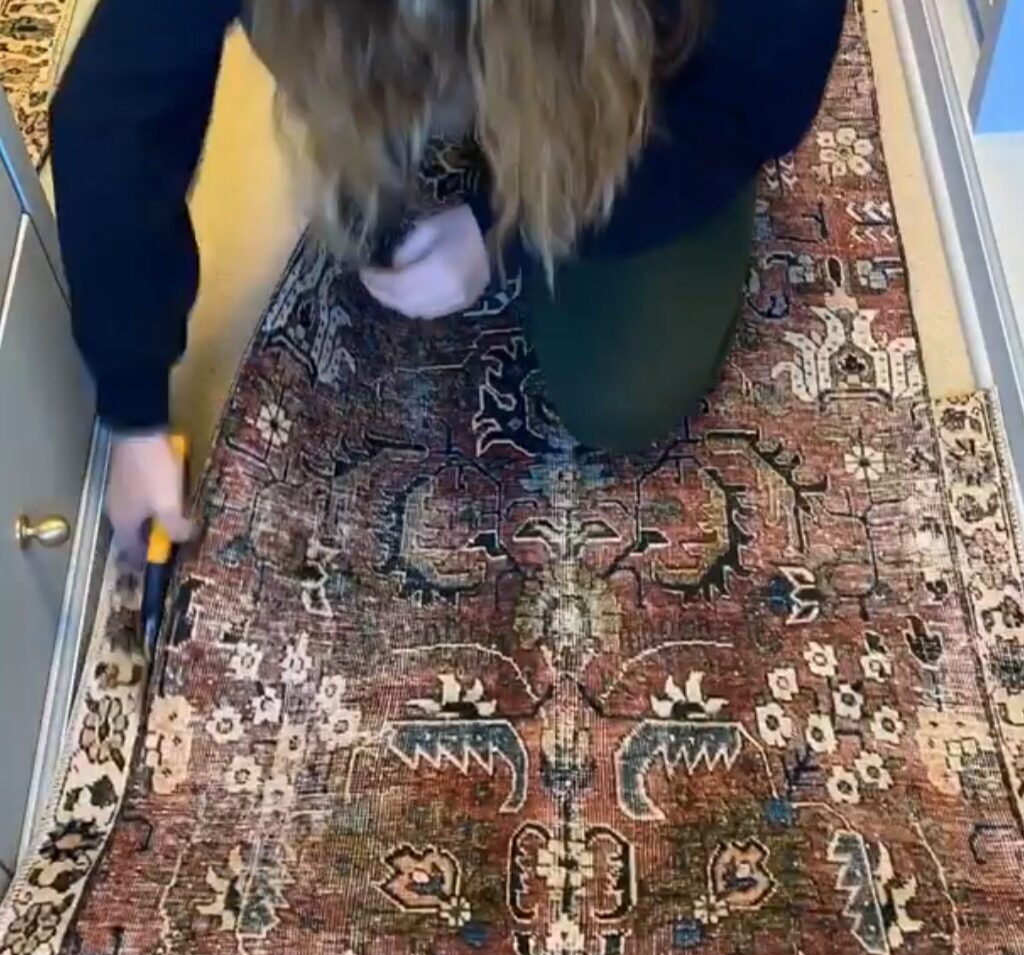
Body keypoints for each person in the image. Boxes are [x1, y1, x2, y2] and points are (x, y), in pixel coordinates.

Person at [50, 0, 846, 556]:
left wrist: (504, 229)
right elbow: (118, 103)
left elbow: (758, 87)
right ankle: (413, 80)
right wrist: (133, 406)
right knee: (366, 134)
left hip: (643, 56)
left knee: (620, 393)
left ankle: (568, 114)